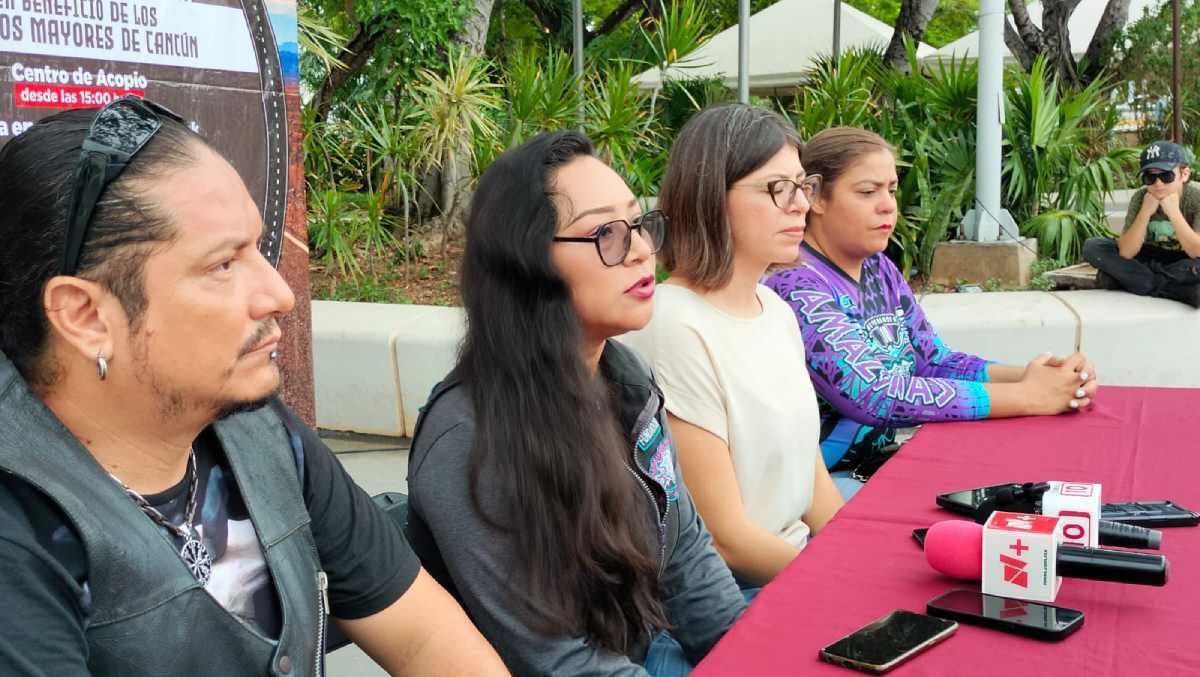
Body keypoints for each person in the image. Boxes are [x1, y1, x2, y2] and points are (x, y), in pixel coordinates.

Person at [0, 97, 506, 676]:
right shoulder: (20, 529)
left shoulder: (259, 434)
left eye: (258, 250)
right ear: (86, 316)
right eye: (222, 265)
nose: (278, 295)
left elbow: (425, 638)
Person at [405, 131, 747, 676]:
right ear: (528, 262)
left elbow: (685, 554)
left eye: (638, 224)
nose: (640, 249)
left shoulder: (624, 377)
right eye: (605, 232)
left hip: (637, 651)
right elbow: (556, 661)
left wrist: (750, 659)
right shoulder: (471, 438)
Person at [765, 127, 1099, 498]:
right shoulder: (795, 284)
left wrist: (1037, 377)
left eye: (890, 189)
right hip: (819, 488)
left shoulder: (878, 268)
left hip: (878, 465)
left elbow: (933, 359)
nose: (888, 205)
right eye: (867, 192)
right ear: (814, 197)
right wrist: (1029, 396)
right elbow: (876, 396)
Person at [620, 104, 844, 586]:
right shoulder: (673, 324)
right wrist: (839, 584)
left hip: (796, 563)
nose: (802, 205)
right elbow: (724, 539)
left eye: (803, 186)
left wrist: (859, 560)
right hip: (735, 592)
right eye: (776, 189)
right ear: (711, 197)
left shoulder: (776, 312)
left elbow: (815, 487)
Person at [1082, 140, 1200, 307]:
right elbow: (1127, 253)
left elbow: (1197, 251)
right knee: (1093, 246)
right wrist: (1145, 212)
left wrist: (1174, 213)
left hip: (1186, 259)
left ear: (1184, 174)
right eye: (1150, 177)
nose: (1158, 183)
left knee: (1109, 278)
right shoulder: (1141, 198)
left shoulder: (1196, 197)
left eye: (1166, 176)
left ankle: (1130, 280)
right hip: (1150, 257)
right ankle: (1176, 288)